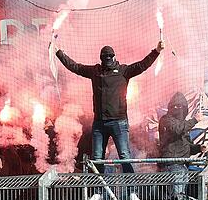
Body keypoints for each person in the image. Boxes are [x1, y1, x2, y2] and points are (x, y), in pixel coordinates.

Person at [55, 41, 163, 176]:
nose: (107, 59)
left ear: (114, 57)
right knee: (97, 158)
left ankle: (131, 192)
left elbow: (142, 65)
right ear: (102, 59)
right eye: (105, 57)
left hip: (118, 122)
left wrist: (156, 51)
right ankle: (99, 192)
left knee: (124, 157)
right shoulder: (95, 71)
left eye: (109, 57)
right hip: (100, 123)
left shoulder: (123, 71)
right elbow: (75, 67)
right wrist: (59, 53)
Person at [158, 92, 207, 200]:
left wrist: (199, 148)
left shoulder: (183, 126)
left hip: (182, 166)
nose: (178, 109)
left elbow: (187, 146)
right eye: (176, 106)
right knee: (174, 199)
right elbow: (177, 129)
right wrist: (195, 120)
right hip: (173, 165)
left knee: (179, 199)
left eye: (181, 107)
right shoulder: (166, 119)